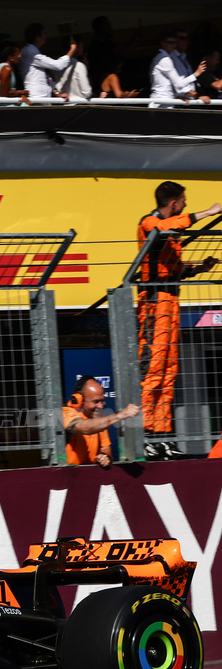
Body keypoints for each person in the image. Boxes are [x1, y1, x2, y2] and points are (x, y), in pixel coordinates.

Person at [136, 182, 222, 460]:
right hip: (153, 304)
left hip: (171, 301)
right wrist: (208, 212)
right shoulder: (151, 222)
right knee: (153, 368)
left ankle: (161, 436)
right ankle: (145, 435)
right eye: (183, 201)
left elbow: (174, 269)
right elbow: (161, 229)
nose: (185, 204)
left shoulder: (170, 228)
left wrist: (199, 269)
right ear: (173, 203)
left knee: (169, 369)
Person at [63, 377, 139, 468]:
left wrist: (105, 457)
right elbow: (84, 427)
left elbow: (106, 449)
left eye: (102, 400)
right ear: (79, 399)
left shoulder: (99, 418)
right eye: (96, 401)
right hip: (66, 475)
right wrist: (120, 415)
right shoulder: (66, 412)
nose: (101, 406)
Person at [149, 29, 208, 108]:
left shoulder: (165, 58)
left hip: (167, 102)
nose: (173, 45)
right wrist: (196, 74)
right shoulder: (164, 59)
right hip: (162, 103)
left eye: (175, 42)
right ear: (162, 43)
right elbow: (178, 85)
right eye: (170, 42)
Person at [23, 27, 74, 101]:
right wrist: (72, 49)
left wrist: (57, 94)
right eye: (44, 34)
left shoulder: (33, 52)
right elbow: (58, 65)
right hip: (36, 98)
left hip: (42, 97)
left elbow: (46, 78)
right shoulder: (30, 52)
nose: (45, 36)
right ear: (37, 37)